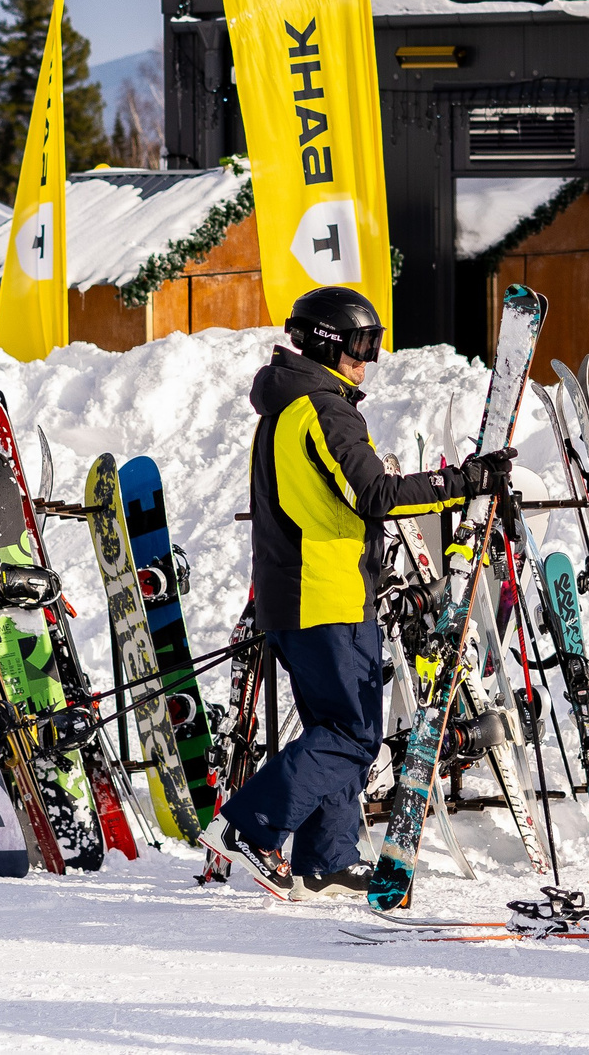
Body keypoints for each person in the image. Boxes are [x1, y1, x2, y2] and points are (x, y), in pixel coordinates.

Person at [202, 286, 509, 901]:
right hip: (326, 593)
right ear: (326, 343)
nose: (369, 358)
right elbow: (375, 494)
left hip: (305, 592)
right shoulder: (323, 408)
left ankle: (327, 855)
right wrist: (464, 481)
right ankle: (250, 826)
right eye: (361, 344)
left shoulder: (288, 406)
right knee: (351, 733)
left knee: (333, 725)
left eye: (374, 343)